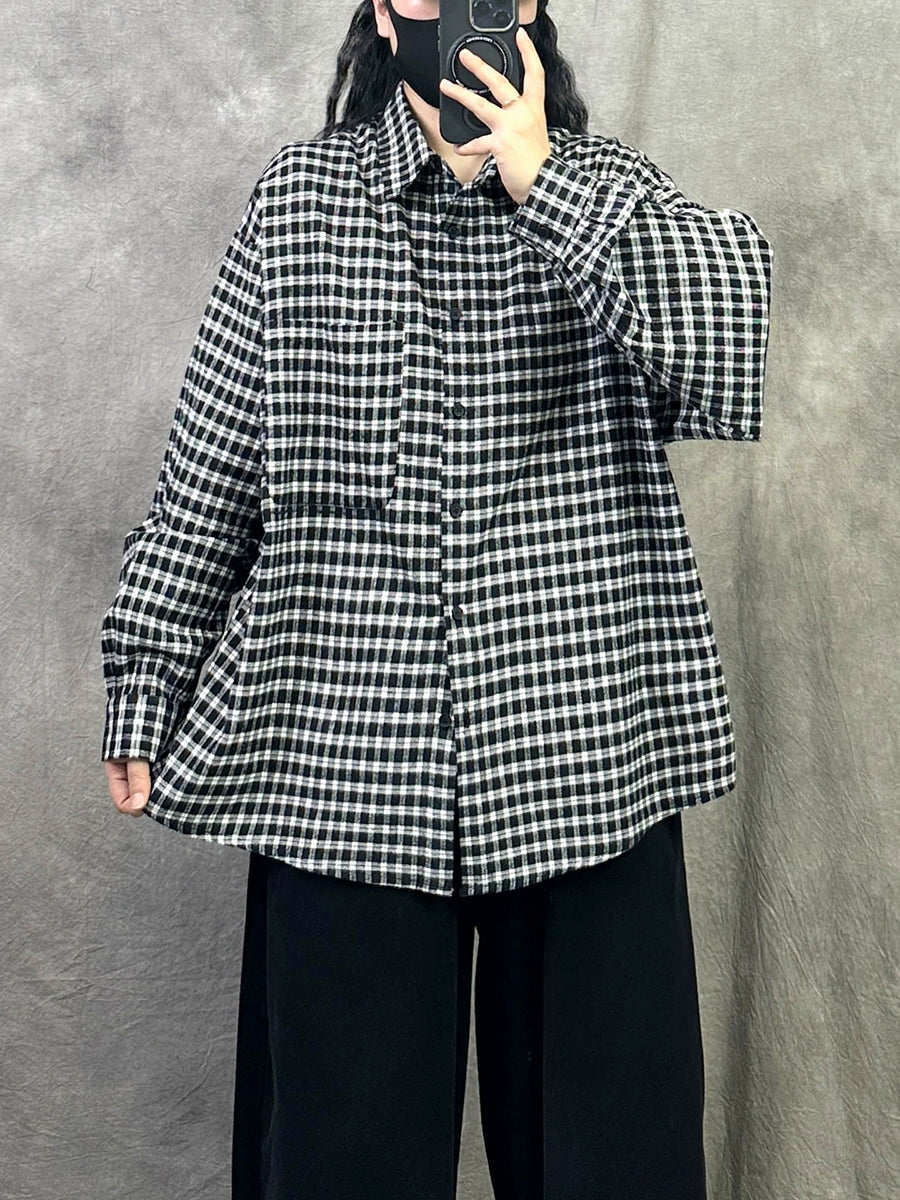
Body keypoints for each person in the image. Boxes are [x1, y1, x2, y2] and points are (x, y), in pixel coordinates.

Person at [102, 1, 773, 1196]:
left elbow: (729, 351)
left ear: (529, 5)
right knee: (335, 1163)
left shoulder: (612, 192)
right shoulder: (300, 205)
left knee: (615, 1164)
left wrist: (545, 182)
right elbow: (211, 469)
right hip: (345, 762)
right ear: (379, 10)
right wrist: (145, 674)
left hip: (586, 757)